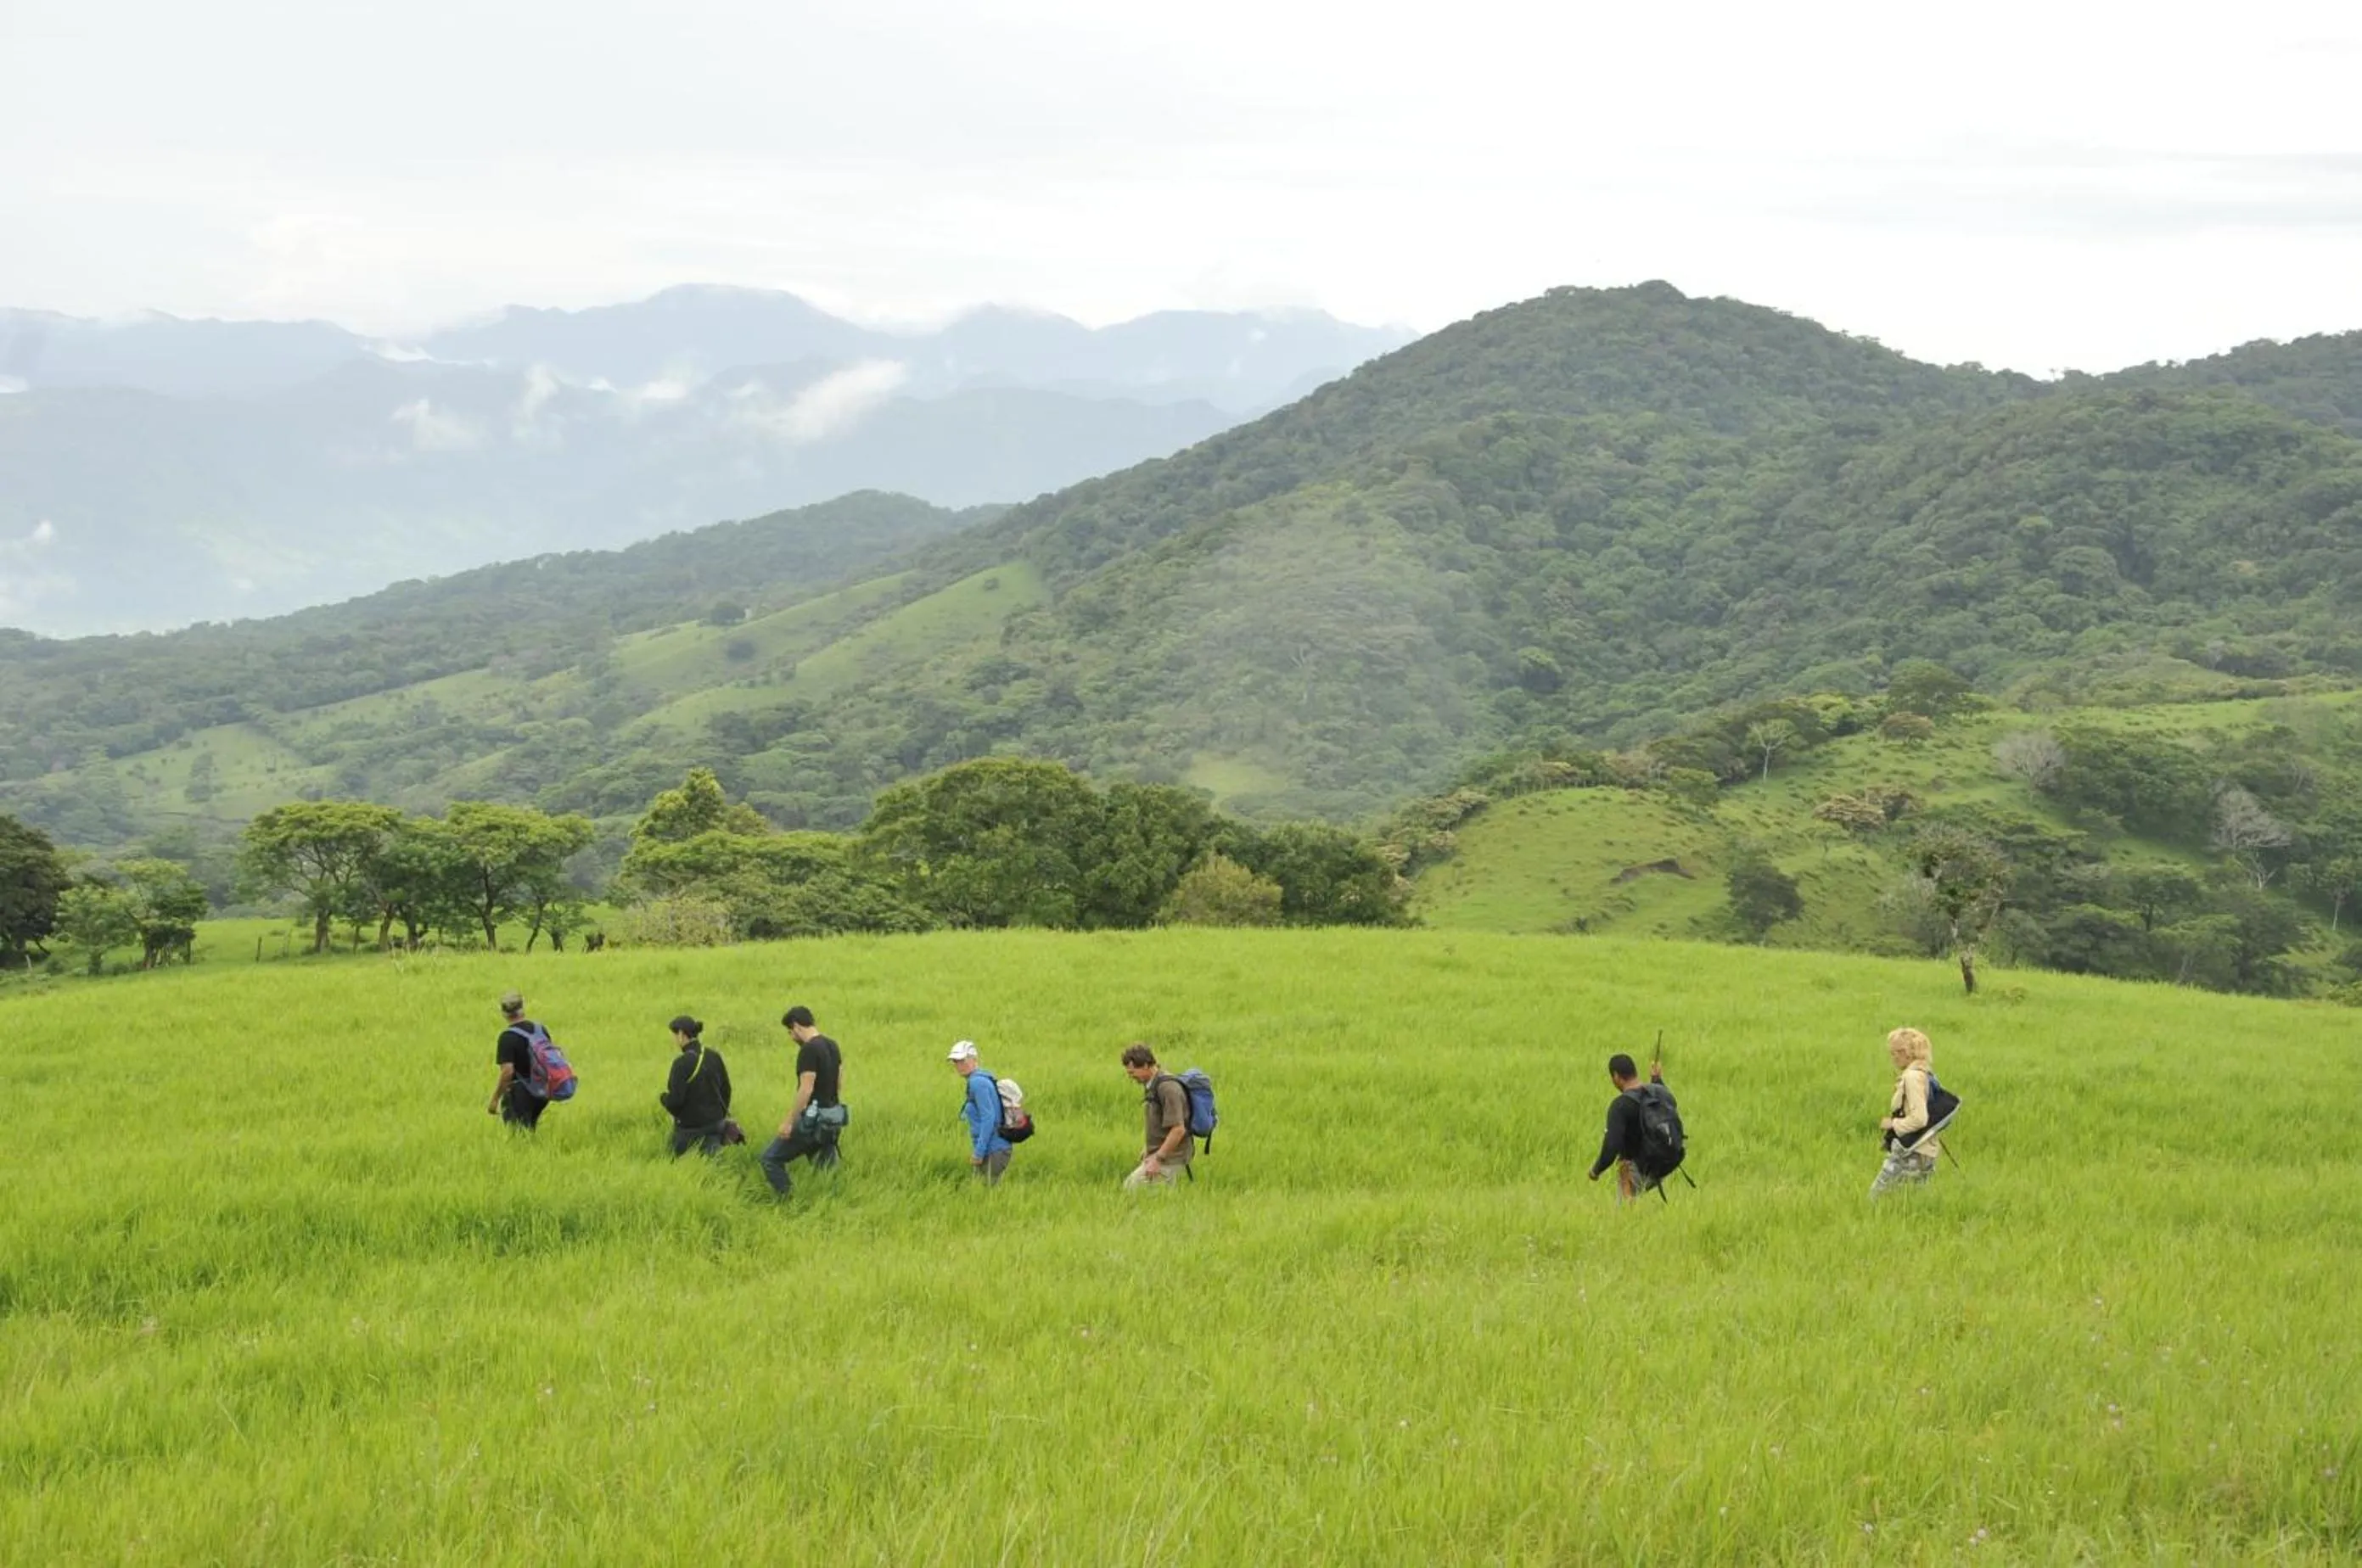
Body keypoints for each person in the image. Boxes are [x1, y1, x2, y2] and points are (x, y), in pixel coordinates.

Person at [760, 1005, 845, 1196]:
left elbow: (806, 1089)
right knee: (827, 1173)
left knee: (770, 1158)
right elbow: (839, 1082)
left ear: (797, 1026)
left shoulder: (809, 1050)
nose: (791, 1037)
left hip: (812, 1119)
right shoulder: (832, 1045)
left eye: (790, 1032)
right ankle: (831, 1203)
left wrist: (790, 1122)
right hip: (832, 1118)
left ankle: (788, 1200)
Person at [1586, 1053, 1675, 1201]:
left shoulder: (1621, 1106)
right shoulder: (1661, 1093)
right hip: (1667, 1162)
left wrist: (1595, 1171)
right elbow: (1665, 1104)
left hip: (1637, 1168)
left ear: (1616, 1076)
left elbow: (1611, 1147)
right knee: (1650, 1208)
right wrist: (1657, 1080)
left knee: (1624, 1215)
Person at [1873, 1026, 1943, 1197]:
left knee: (1878, 1199)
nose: (1894, 1057)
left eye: (1897, 1052)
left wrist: (1892, 1124)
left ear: (1909, 1052)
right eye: (1892, 1052)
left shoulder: (1912, 1077)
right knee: (1913, 1201)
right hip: (1927, 1150)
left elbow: (1919, 1119)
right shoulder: (1926, 1074)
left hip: (1911, 1150)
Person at [659, 1015, 733, 1156]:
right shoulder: (714, 1056)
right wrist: (719, 1116)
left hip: (688, 1130)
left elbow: (676, 1101)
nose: (674, 1039)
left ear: (681, 1034)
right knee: (714, 1169)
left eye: (674, 1035)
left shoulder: (681, 1063)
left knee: (673, 1165)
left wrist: (663, 1098)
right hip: (714, 1125)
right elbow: (726, 1090)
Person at [1121, 1044, 1191, 1188]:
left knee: (1131, 1188)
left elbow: (1178, 1129)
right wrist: (1149, 1148)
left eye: (1133, 1073)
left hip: (1171, 1159)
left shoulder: (1168, 1088)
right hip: (1160, 1154)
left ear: (1146, 1065)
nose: (1131, 1078)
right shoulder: (1152, 1085)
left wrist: (1158, 1159)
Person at [949, 1039, 1013, 1184]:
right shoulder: (982, 1078)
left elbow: (988, 1118)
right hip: (994, 1149)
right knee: (981, 1193)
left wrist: (979, 1152)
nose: (959, 1065)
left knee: (985, 1195)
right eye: (956, 1062)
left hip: (994, 1149)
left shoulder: (978, 1083)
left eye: (963, 1060)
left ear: (974, 1060)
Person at [486, 990, 547, 1130]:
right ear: (522, 1009)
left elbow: (507, 1071)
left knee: (517, 1135)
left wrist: (495, 1099)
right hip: (542, 1090)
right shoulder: (539, 1029)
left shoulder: (507, 1037)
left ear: (504, 1013)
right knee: (529, 1129)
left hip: (521, 1092)